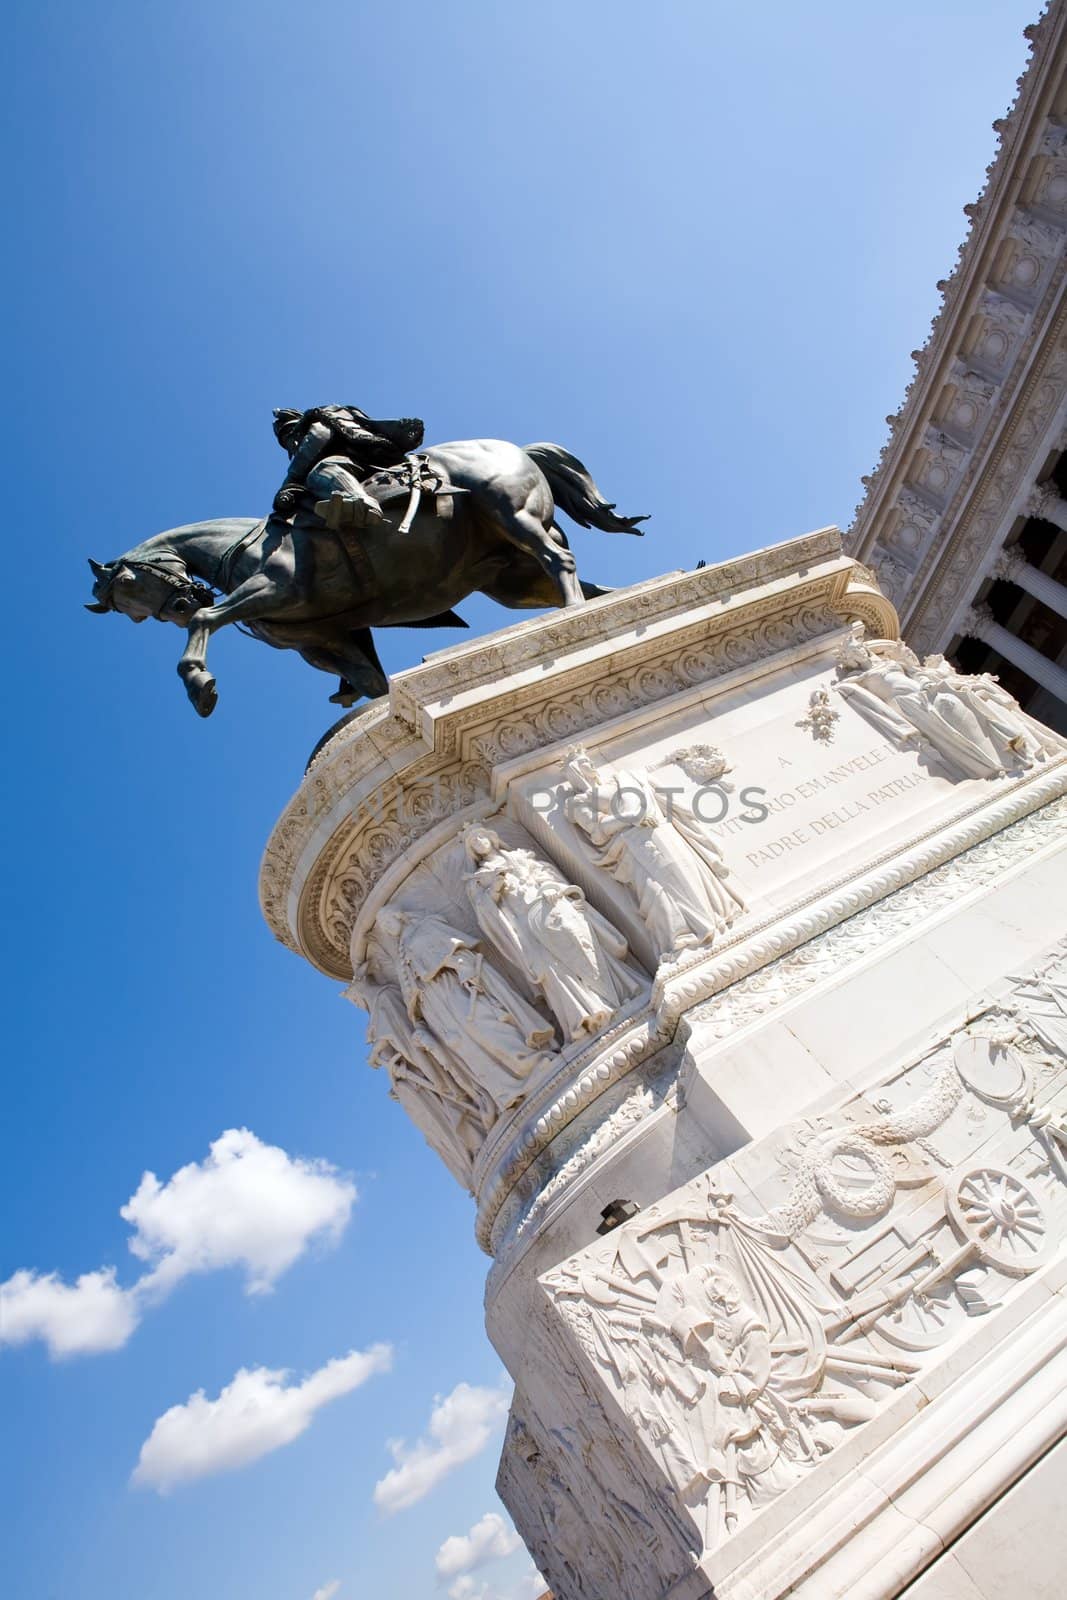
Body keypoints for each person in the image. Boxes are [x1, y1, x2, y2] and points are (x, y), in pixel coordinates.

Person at [271, 404, 424, 527]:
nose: (289, 442)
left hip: (364, 455)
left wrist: (290, 481)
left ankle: (361, 503)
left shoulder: (317, 422)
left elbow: (318, 438)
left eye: (288, 434)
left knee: (323, 470)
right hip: (358, 461)